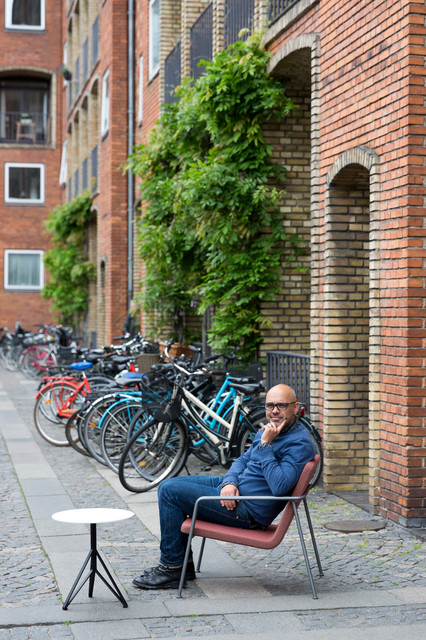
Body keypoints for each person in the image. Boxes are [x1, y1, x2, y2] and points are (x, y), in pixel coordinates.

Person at [133, 383, 316, 590]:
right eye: (269, 405)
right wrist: (230, 482)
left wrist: (266, 445)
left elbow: (280, 487)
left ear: (294, 407)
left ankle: (172, 567)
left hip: (247, 510)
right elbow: (242, 460)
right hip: (238, 490)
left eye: (281, 405)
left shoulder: (298, 444)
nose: (274, 411)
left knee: (169, 492)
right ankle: (182, 564)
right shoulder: (271, 430)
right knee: (169, 484)